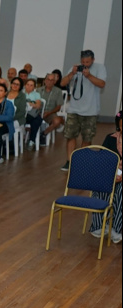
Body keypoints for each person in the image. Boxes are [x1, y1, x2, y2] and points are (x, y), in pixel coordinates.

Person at [60, 49, 107, 171]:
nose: (85, 64)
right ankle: (70, 161)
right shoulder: (75, 68)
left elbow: (102, 84)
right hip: (74, 109)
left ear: (93, 60)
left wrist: (89, 75)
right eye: (83, 61)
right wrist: (72, 74)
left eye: (87, 61)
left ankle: (81, 161)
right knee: (70, 136)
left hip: (90, 110)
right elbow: (62, 82)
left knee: (87, 138)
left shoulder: (100, 68)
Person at [89, 111, 122, 244]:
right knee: (100, 184)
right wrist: (112, 174)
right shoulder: (111, 138)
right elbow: (102, 160)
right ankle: (98, 225)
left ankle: (116, 228)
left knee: (120, 191)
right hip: (111, 174)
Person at [37, 73, 65, 142]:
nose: (49, 82)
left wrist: (49, 113)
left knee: (57, 121)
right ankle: (32, 136)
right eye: (48, 79)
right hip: (38, 112)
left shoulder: (58, 91)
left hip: (50, 112)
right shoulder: (38, 90)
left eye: (52, 80)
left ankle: (44, 133)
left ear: (54, 82)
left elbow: (58, 107)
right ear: (44, 80)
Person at [23, 78, 43, 147]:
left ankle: (32, 140)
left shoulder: (36, 94)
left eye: (31, 85)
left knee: (37, 120)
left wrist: (30, 104)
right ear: (25, 85)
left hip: (32, 113)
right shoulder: (21, 93)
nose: (29, 86)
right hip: (23, 113)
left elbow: (38, 105)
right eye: (28, 84)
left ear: (34, 87)